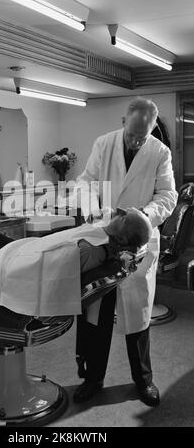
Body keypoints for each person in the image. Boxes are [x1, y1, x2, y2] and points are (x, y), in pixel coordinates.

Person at [73, 97, 178, 407]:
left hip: (138, 243)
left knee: (137, 313)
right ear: (123, 122)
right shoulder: (103, 144)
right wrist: (93, 209)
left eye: (142, 136)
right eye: (132, 133)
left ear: (152, 129)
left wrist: (141, 217)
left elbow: (167, 195)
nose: (135, 140)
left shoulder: (160, 152)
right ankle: (92, 379)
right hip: (103, 237)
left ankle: (143, 381)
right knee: (98, 314)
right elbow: (85, 181)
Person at [0, 208, 151, 321]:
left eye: (124, 218)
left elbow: (53, 274)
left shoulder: (91, 250)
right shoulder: (98, 241)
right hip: (22, 252)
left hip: (17, 264)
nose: (119, 213)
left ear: (121, 238)